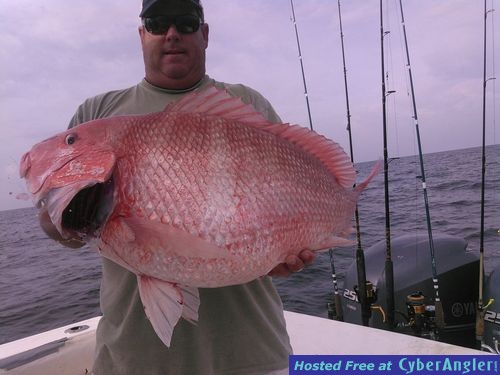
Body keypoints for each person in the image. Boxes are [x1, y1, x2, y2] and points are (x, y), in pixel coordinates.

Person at [44, 0, 315, 373]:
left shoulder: (247, 104)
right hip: (132, 360)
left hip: (252, 354)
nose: (172, 33)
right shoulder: (96, 115)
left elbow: (291, 197)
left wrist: (289, 251)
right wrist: (68, 217)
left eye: (186, 22)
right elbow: (59, 229)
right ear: (142, 35)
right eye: (157, 22)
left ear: (204, 34)